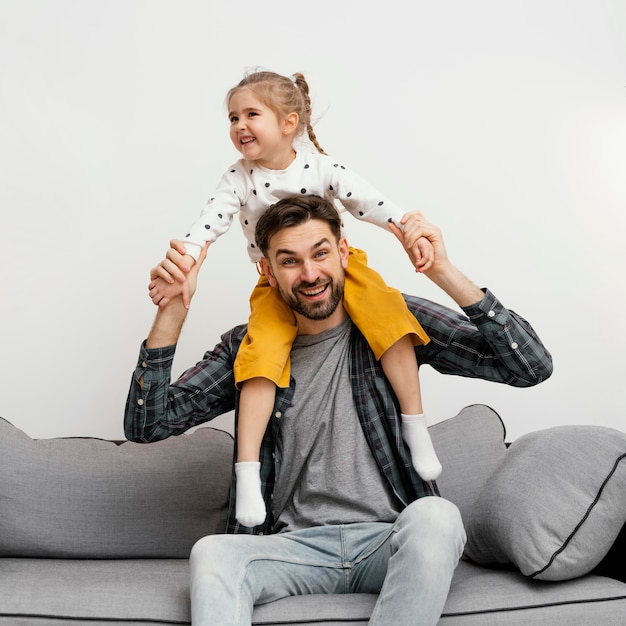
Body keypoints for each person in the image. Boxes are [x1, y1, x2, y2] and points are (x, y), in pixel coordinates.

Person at [125, 195, 553, 625]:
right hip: (293, 549)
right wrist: (172, 311)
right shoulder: (247, 347)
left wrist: (442, 270)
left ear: (343, 252)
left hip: (388, 542)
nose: (310, 274)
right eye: (290, 261)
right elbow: (148, 425)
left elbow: (530, 366)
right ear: (267, 272)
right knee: (212, 552)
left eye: (321, 253)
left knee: (438, 518)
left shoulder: (390, 319)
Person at [149, 69, 442, 528]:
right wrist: (184, 263)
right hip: (272, 290)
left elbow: (368, 201)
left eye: (251, 114)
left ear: (289, 122)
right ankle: (248, 471)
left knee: (393, 322)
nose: (239, 125)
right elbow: (209, 224)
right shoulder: (236, 178)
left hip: (350, 270)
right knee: (259, 359)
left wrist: (408, 228)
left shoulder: (322, 167)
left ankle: (414, 424)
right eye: (232, 117)